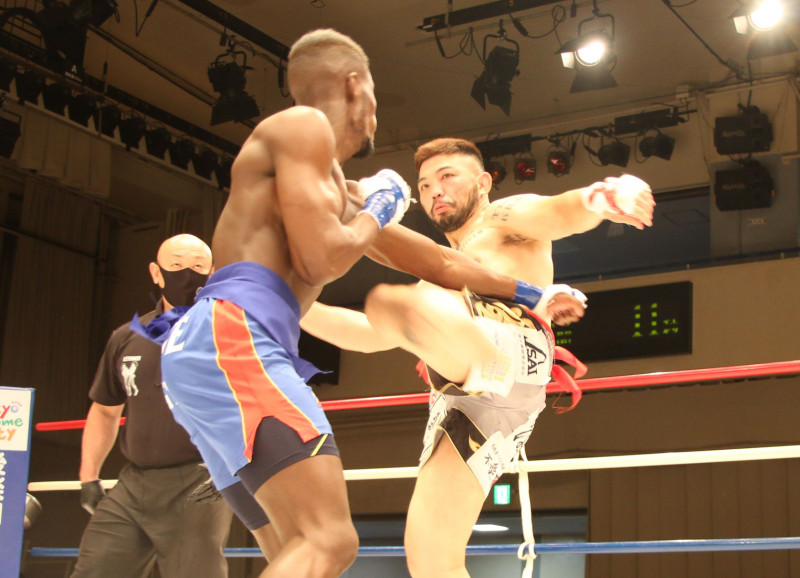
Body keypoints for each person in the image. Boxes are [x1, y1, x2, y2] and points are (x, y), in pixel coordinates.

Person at [152, 29, 584, 578]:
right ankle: (482, 362)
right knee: (330, 542)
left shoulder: (331, 188)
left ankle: (482, 360)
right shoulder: (303, 127)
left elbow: (441, 264)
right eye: (375, 94)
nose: (377, 116)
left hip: (203, 354)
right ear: (356, 87)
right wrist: (378, 208)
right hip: (236, 339)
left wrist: (533, 294)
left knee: (294, 550)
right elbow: (321, 260)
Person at [300, 137, 655, 578]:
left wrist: (599, 198)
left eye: (447, 176)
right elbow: (370, 336)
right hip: (466, 400)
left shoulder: (499, 217)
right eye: (424, 185)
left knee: (403, 303)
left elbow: (554, 212)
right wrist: (293, 307)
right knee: (431, 560)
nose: (435, 190)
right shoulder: (439, 275)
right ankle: (479, 363)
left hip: (512, 346)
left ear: (484, 182)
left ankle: (485, 359)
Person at [71, 234, 234, 578]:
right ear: (156, 272)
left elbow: (260, 405)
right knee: (95, 568)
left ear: (212, 273)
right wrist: (89, 477)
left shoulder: (232, 332)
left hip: (199, 479)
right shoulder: (129, 336)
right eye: (176, 265)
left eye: (198, 266)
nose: (186, 274)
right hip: (134, 482)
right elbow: (104, 409)